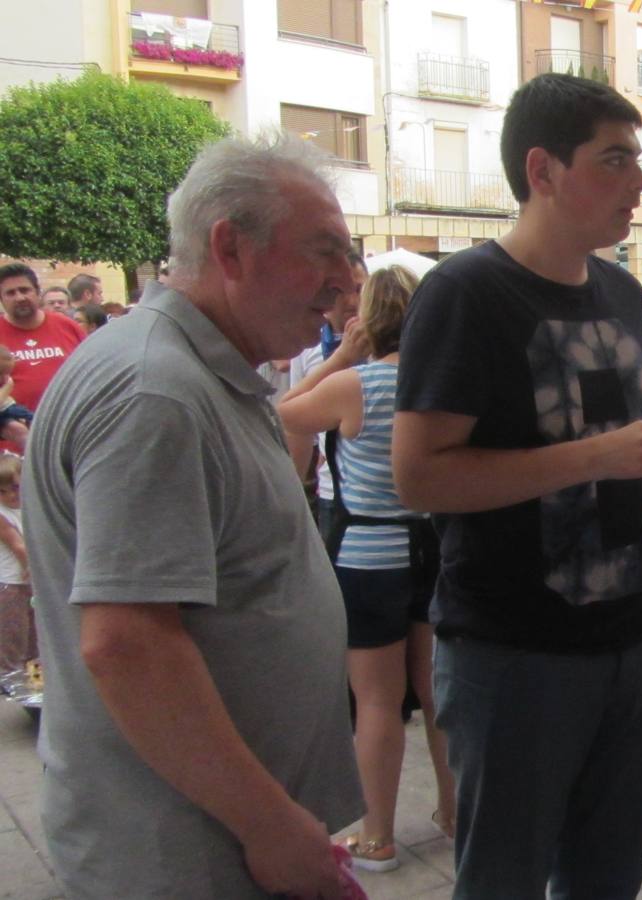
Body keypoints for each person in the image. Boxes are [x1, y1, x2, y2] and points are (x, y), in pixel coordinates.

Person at [390, 73, 642, 898]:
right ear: (542, 170)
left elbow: (603, 440)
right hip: (514, 655)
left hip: (635, 640)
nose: (641, 181)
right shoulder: (463, 293)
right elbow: (419, 475)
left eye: (638, 160)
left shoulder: (615, 290)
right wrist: (600, 456)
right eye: (615, 160)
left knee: (607, 882)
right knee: (503, 881)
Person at [24, 135, 363, 898]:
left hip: (217, 838)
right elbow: (130, 644)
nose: (345, 281)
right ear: (229, 248)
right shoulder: (158, 393)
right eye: (324, 252)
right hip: (191, 852)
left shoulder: (191, 371)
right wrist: (269, 825)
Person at [278, 265, 456, 872]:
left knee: (377, 701)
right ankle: (456, 812)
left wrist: (337, 360)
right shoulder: (439, 382)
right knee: (438, 693)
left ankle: (377, 837)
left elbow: (281, 415)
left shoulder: (354, 384)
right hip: (434, 547)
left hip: (367, 556)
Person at [285, 251, 367, 531]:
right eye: (341, 291)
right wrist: (294, 489)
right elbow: (297, 424)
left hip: (378, 494)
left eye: (359, 288)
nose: (353, 301)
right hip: (332, 491)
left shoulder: (387, 341)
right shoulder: (306, 346)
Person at [0, 263, 86, 413]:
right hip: (13, 431)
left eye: (25, 290)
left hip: (67, 427)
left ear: (38, 292)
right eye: (11, 293)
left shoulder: (68, 327)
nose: (20, 297)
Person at [0, 453, 29, 675]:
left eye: (16, 487)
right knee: (13, 633)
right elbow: (18, 546)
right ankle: (8, 677)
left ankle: (31, 675)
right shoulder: (2, 514)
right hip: (11, 582)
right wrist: (32, 569)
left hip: (28, 582)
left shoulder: (27, 507)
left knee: (33, 634)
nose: (11, 495)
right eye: (2, 491)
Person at [0, 347, 34, 449]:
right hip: (3, 411)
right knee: (19, 430)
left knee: (34, 420)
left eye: (8, 373)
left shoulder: (6, 380)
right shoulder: (7, 384)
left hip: (8, 408)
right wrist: (6, 388)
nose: (5, 378)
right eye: (1, 374)